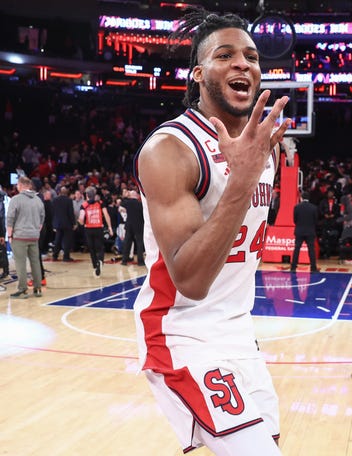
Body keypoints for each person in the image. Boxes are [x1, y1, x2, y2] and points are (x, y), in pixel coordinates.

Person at [132, 8, 290, 455]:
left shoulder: (264, 149)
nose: (244, 63)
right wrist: (239, 183)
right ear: (198, 74)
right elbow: (191, 280)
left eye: (252, 56)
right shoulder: (170, 149)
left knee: (270, 443)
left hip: (238, 331)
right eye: (226, 55)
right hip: (180, 330)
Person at [6, 176, 45, 298]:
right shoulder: (38, 200)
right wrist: (35, 231)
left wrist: (10, 235)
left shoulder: (16, 200)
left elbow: (10, 219)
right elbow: (42, 219)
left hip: (20, 236)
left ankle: (22, 289)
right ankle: (37, 288)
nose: (16, 187)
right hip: (34, 236)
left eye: (18, 185)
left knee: (20, 263)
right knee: (35, 262)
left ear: (22, 185)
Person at [78, 186, 113, 277]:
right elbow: (106, 215)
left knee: (91, 248)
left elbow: (81, 219)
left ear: (87, 195)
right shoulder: (100, 203)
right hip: (98, 228)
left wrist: (80, 221)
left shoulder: (84, 205)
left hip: (88, 229)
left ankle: (95, 265)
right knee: (100, 248)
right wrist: (110, 227)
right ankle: (100, 261)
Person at [290, 191, 319, 272]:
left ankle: (293, 268)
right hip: (310, 231)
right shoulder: (314, 208)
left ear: (301, 198)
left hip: (299, 231)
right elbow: (316, 220)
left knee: (296, 249)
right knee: (311, 250)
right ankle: (313, 268)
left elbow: (295, 220)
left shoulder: (297, 207)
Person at [120, 190, 145, 266]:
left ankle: (124, 260)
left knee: (127, 243)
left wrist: (125, 196)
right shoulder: (140, 204)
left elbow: (121, 204)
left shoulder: (127, 203)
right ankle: (140, 262)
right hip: (139, 226)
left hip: (129, 226)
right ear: (136, 196)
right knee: (139, 244)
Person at [52, 186, 76, 261]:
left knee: (57, 240)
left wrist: (54, 223)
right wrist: (74, 223)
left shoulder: (55, 200)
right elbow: (70, 213)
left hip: (58, 223)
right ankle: (66, 256)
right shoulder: (69, 200)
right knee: (66, 241)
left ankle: (55, 255)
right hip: (67, 223)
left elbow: (53, 212)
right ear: (66, 193)